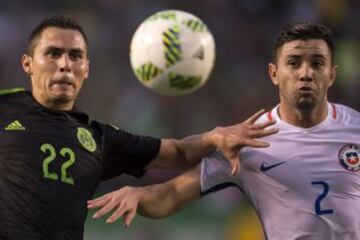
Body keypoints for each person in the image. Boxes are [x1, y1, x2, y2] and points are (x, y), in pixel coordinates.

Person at [0, 14, 278, 240]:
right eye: (52, 53)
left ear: (86, 68)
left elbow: (177, 153)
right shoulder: (6, 108)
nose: (64, 65)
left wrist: (214, 137)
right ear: (28, 64)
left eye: (75, 56)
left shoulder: (99, 138)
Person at [88, 22, 360, 240]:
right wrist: (138, 196)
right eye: (294, 63)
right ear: (274, 73)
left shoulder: (355, 129)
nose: (306, 73)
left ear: (332, 74)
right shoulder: (247, 141)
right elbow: (171, 195)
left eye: (317, 63)